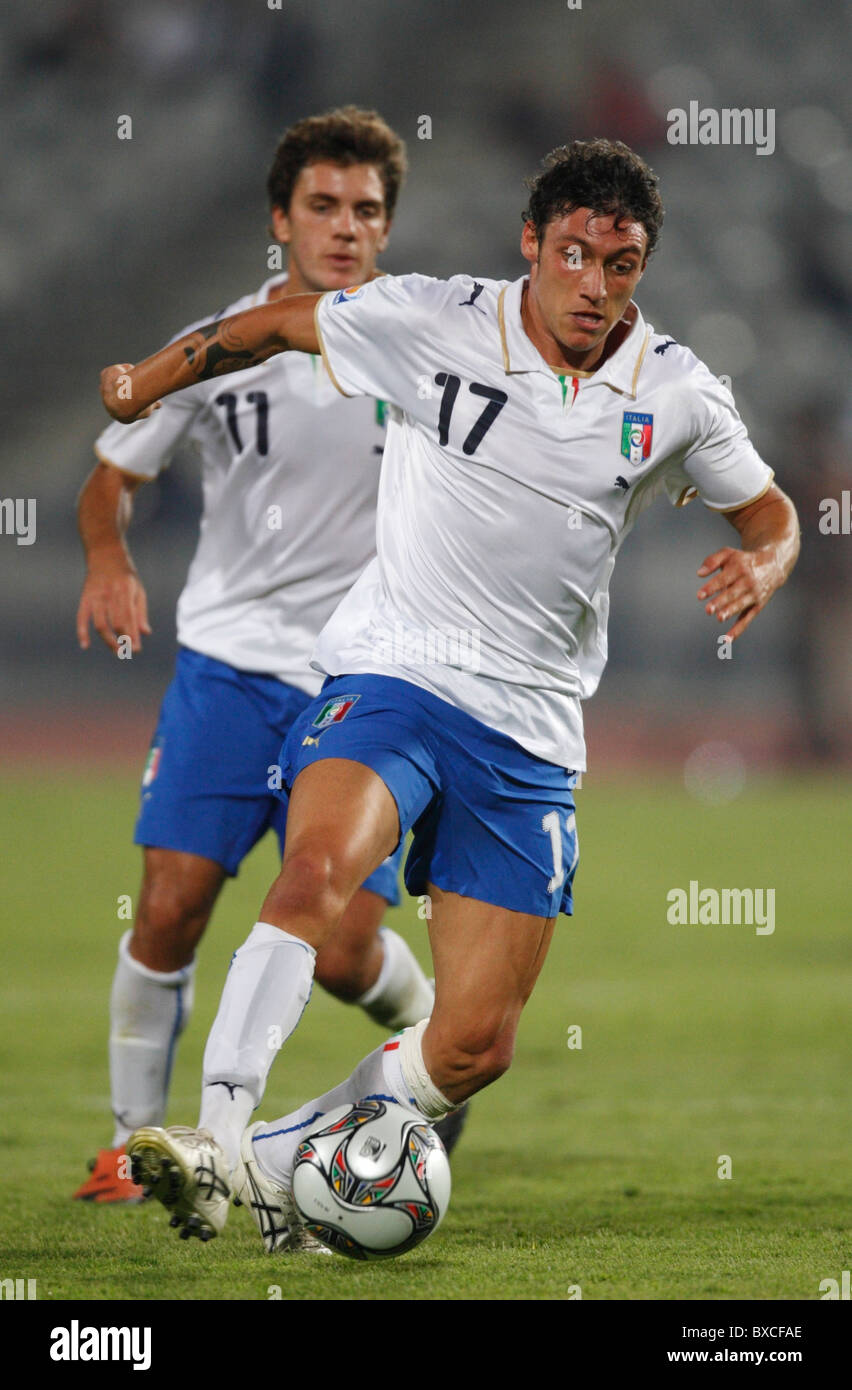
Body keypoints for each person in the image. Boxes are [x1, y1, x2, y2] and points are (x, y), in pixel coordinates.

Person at [101, 137, 799, 1251]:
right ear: (532, 243)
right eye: (574, 254)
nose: (595, 285)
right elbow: (275, 324)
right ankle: (218, 1135)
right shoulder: (432, 318)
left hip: (531, 728)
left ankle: (277, 1163)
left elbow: (770, 513)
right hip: (399, 672)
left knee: (476, 1045)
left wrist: (762, 565)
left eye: (621, 264)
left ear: (642, 268)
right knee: (319, 872)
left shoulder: (674, 390)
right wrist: (148, 379)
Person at [74, 106, 457, 1209]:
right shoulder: (222, 345)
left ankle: (435, 1052)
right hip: (229, 668)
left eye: (368, 211)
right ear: (280, 219)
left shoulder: (425, 346)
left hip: (363, 681)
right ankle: (136, 1148)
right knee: (169, 906)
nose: (347, 227)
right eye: (324, 207)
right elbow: (111, 474)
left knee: (340, 954)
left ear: (388, 228)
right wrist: (108, 557)